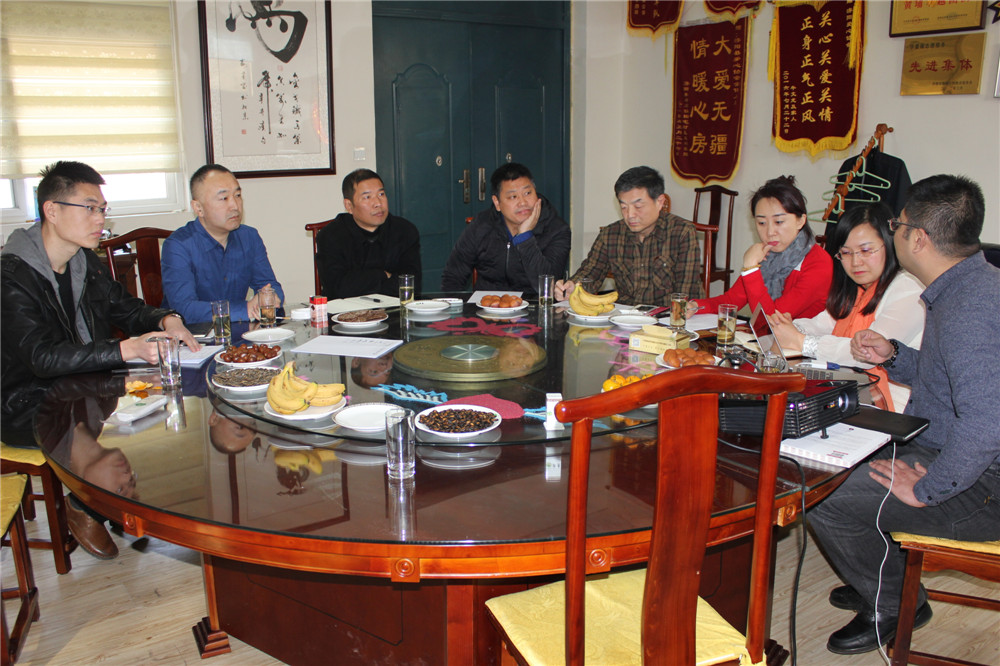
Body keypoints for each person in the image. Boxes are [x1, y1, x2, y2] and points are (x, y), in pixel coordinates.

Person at [809, 174, 1000, 655]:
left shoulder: (969, 309)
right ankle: (879, 575)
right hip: (946, 444)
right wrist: (894, 355)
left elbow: (986, 425)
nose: (894, 232)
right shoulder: (970, 284)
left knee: (823, 495)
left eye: (896, 225)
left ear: (918, 238)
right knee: (830, 458)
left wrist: (928, 488)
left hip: (984, 483)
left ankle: (897, 604)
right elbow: (947, 379)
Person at [0, 160, 201, 560]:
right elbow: (41, 357)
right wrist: (127, 349)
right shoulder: (11, 276)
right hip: (25, 401)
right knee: (112, 414)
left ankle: (110, 498)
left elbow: (125, 308)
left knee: (160, 400)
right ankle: (90, 502)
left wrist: (166, 319)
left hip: (80, 382)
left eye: (103, 209)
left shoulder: (84, 262)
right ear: (52, 210)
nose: (100, 220)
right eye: (89, 208)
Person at [770, 203, 924, 412]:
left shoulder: (908, 287)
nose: (856, 262)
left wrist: (802, 342)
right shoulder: (858, 289)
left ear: (889, 244)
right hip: (855, 393)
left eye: (866, 250)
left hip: (892, 408)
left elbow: (866, 353)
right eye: (846, 253)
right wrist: (789, 328)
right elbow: (823, 322)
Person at [555, 166, 703, 305]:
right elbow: (590, 273)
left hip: (667, 317)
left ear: (659, 202)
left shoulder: (682, 232)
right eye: (624, 207)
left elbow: (685, 294)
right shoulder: (610, 234)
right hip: (626, 317)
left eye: (638, 206)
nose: (630, 215)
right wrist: (573, 286)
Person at [689, 175, 832, 319]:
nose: (770, 232)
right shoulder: (766, 254)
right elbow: (731, 300)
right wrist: (695, 306)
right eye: (762, 223)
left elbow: (770, 319)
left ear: (800, 221)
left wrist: (751, 269)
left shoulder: (819, 263)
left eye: (779, 222)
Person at [161, 164, 284, 323]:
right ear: (198, 208)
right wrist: (246, 309)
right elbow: (185, 309)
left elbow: (270, 286)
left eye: (238, 195)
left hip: (239, 331)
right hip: (193, 335)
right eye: (224, 198)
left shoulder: (249, 237)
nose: (235, 206)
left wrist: (269, 297)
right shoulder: (178, 246)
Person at [441, 163, 570, 293]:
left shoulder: (557, 230)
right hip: (487, 303)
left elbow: (548, 287)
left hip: (534, 303)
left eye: (527, 193)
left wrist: (525, 238)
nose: (523, 202)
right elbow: (453, 277)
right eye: (513, 197)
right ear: (497, 203)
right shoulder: (481, 225)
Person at [315, 168, 422, 299]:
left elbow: (410, 285)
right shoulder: (330, 236)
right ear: (349, 206)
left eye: (381, 194)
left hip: (394, 308)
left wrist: (360, 283)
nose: (378, 203)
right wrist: (383, 275)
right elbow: (338, 289)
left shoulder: (404, 231)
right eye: (367, 197)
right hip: (346, 310)